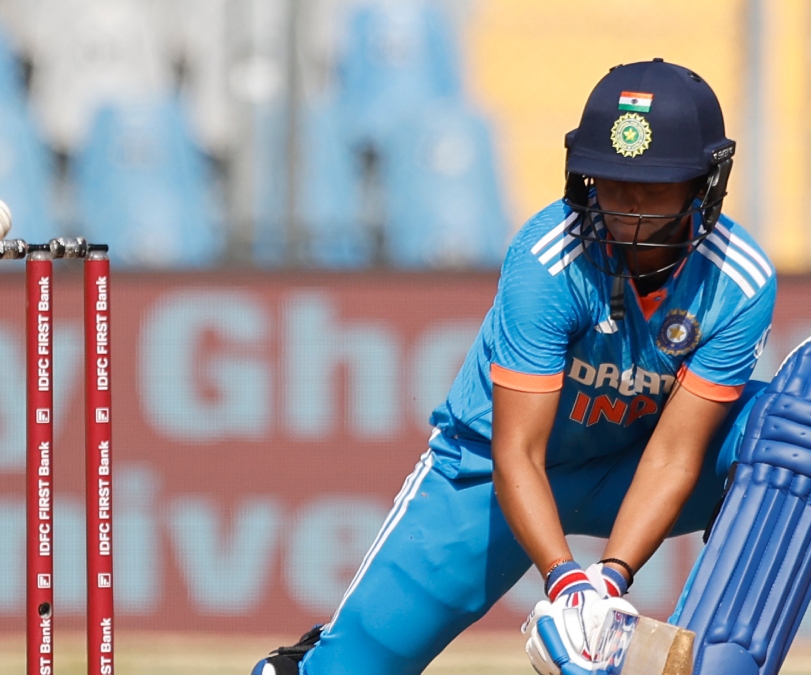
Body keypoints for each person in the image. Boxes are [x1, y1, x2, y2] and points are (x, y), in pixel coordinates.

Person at [253, 57, 776, 675]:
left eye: (655, 187)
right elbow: (517, 452)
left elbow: (673, 457)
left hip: (629, 463)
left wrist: (609, 582)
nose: (629, 210)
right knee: (348, 671)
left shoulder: (739, 280)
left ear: (703, 186)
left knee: (791, 432)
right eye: (613, 184)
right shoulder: (547, 257)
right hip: (488, 473)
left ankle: (724, 660)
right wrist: (567, 585)